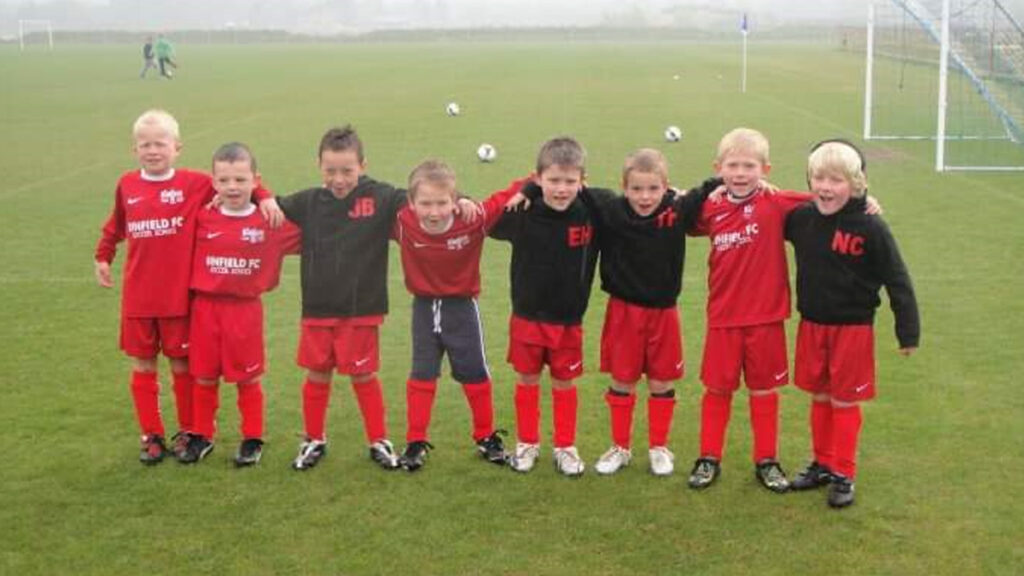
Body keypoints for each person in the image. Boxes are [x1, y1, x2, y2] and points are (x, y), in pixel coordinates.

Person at [276, 125, 473, 472]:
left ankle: (378, 439)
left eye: (347, 170)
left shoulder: (380, 197)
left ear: (362, 165)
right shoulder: (307, 202)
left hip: (362, 309)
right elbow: (267, 207)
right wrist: (258, 195)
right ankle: (313, 439)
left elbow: (425, 195)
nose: (339, 178)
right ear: (319, 166)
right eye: (331, 170)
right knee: (317, 374)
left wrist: (464, 198)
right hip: (318, 309)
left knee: (363, 376)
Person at [93, 109, 278, 465]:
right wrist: (103, 256)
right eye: (145, 144)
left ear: (177, 147)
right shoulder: (127, 184)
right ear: (135, 150)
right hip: (138, 298)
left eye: (160, 143)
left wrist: (265, 196)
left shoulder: (195, 183)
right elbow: (115, 225)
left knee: (182, 367)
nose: (152, 150)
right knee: (143, 366)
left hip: (180, 299)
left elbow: (238, 181)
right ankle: (151, 435)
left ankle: (189, 430)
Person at [784, 139, 919, 508]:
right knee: (820, 395)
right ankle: (822, 463)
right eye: (818, 178)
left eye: (836, 180)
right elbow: (768, 209)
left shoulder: (871, 227)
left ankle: (844, 473)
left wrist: (908, 331)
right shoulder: (801, 219)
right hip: (812, 325)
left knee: (844, 401)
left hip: (853, 329)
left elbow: (898, 278)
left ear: (857, 184)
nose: (825, 187)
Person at [686, 128, 811, 493]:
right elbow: (677, 214)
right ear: (718, 167)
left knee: (764, 392)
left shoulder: (777, 202)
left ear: (765, 168)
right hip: (723, 318)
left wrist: (864, 201)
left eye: (749, 165)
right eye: (733, 165)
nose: (741, 172)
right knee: (717, 390)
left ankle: (767, 461)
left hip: (767, 319)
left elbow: (825, 198)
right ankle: (709, 457)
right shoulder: (709, 205)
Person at [489, 136, 613, 477]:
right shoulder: (522, 210)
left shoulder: (594, 211)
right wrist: (524, 189)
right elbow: (487, 217)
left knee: (563, 382)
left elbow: (634, 203)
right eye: (553, 180)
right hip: (527, 316)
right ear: (538, 177)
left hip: (568, 319)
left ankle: (565, 447)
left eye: (570, 181)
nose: (561, 189)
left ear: (582, 182)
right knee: (527, 379)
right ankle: (527, 443)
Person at [392, 160, 527, 471]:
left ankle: (485, 436)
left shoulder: (474, 218)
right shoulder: (401, 221)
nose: (434, 211)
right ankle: (415, 442)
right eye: (425, 203)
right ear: (411, 204)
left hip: (462, 308)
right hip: (423, 309)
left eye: (443, 202)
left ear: (455, 202)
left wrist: (530, 189)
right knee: (422, 373)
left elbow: (521, 183)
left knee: (475, 372)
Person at [589, 149, 717, 477]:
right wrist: (530, 190)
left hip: (663, 313)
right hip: (623, 311)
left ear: (666, 187)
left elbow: (718, 185)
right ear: (624, 187)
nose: (644, 197)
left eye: (653, 189)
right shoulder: (610, 207)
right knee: (622, 379)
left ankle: (659, 447)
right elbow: (569, 186)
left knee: (661, 381)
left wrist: (759, 183)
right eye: (636, 189)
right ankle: (620, 447)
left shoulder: (678, 209)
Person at [179, 143, 301, 467]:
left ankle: (252, 438)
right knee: (203, 377)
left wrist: (267, 197)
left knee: (248, 378)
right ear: (214, 182)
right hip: (204, 309)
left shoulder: (270, 220)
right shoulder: (202, 216)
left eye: (240, 180)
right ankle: (203, 435)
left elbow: (317, 236)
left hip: (244, 311)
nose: (232, 187)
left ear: (255, 180)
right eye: (225, 180)